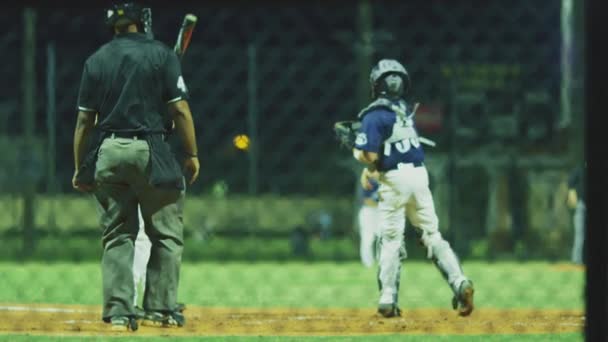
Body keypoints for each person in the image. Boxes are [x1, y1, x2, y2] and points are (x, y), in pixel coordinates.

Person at [71, 1, 199, 331]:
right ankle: (159, 309)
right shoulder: (161, 55)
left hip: (109, 152)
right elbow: (180, 110)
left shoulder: (96, 59)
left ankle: (117, 312)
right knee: (166, 235)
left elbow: (85, 121)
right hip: (151, 150)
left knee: (116, 236)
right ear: (141, 20)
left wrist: (79, 167)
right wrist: (192, 153)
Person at [352, 59, 474, 318]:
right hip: (419, 175)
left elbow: (371, 156)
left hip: (394, 181)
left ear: (377, 84)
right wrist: (370, 165)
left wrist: (356, 151)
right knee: (432, 234)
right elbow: (388, 151)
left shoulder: (373, 115)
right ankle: (459, 281)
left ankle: (387, 297)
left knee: (391, 238)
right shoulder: (403, 112)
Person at [357, 178, 380, 268]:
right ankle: (367, 263)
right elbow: (366, 201)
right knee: (367, 238)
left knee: (383, 237)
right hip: (368, 212)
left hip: (380, 211)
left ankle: (382, 262)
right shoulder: (369, 182)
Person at [567, 163, 586, 265]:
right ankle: (576, 260)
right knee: (580, 234)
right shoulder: (580, 169)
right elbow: (570, 183)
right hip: (581, 206)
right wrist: (572, 196)